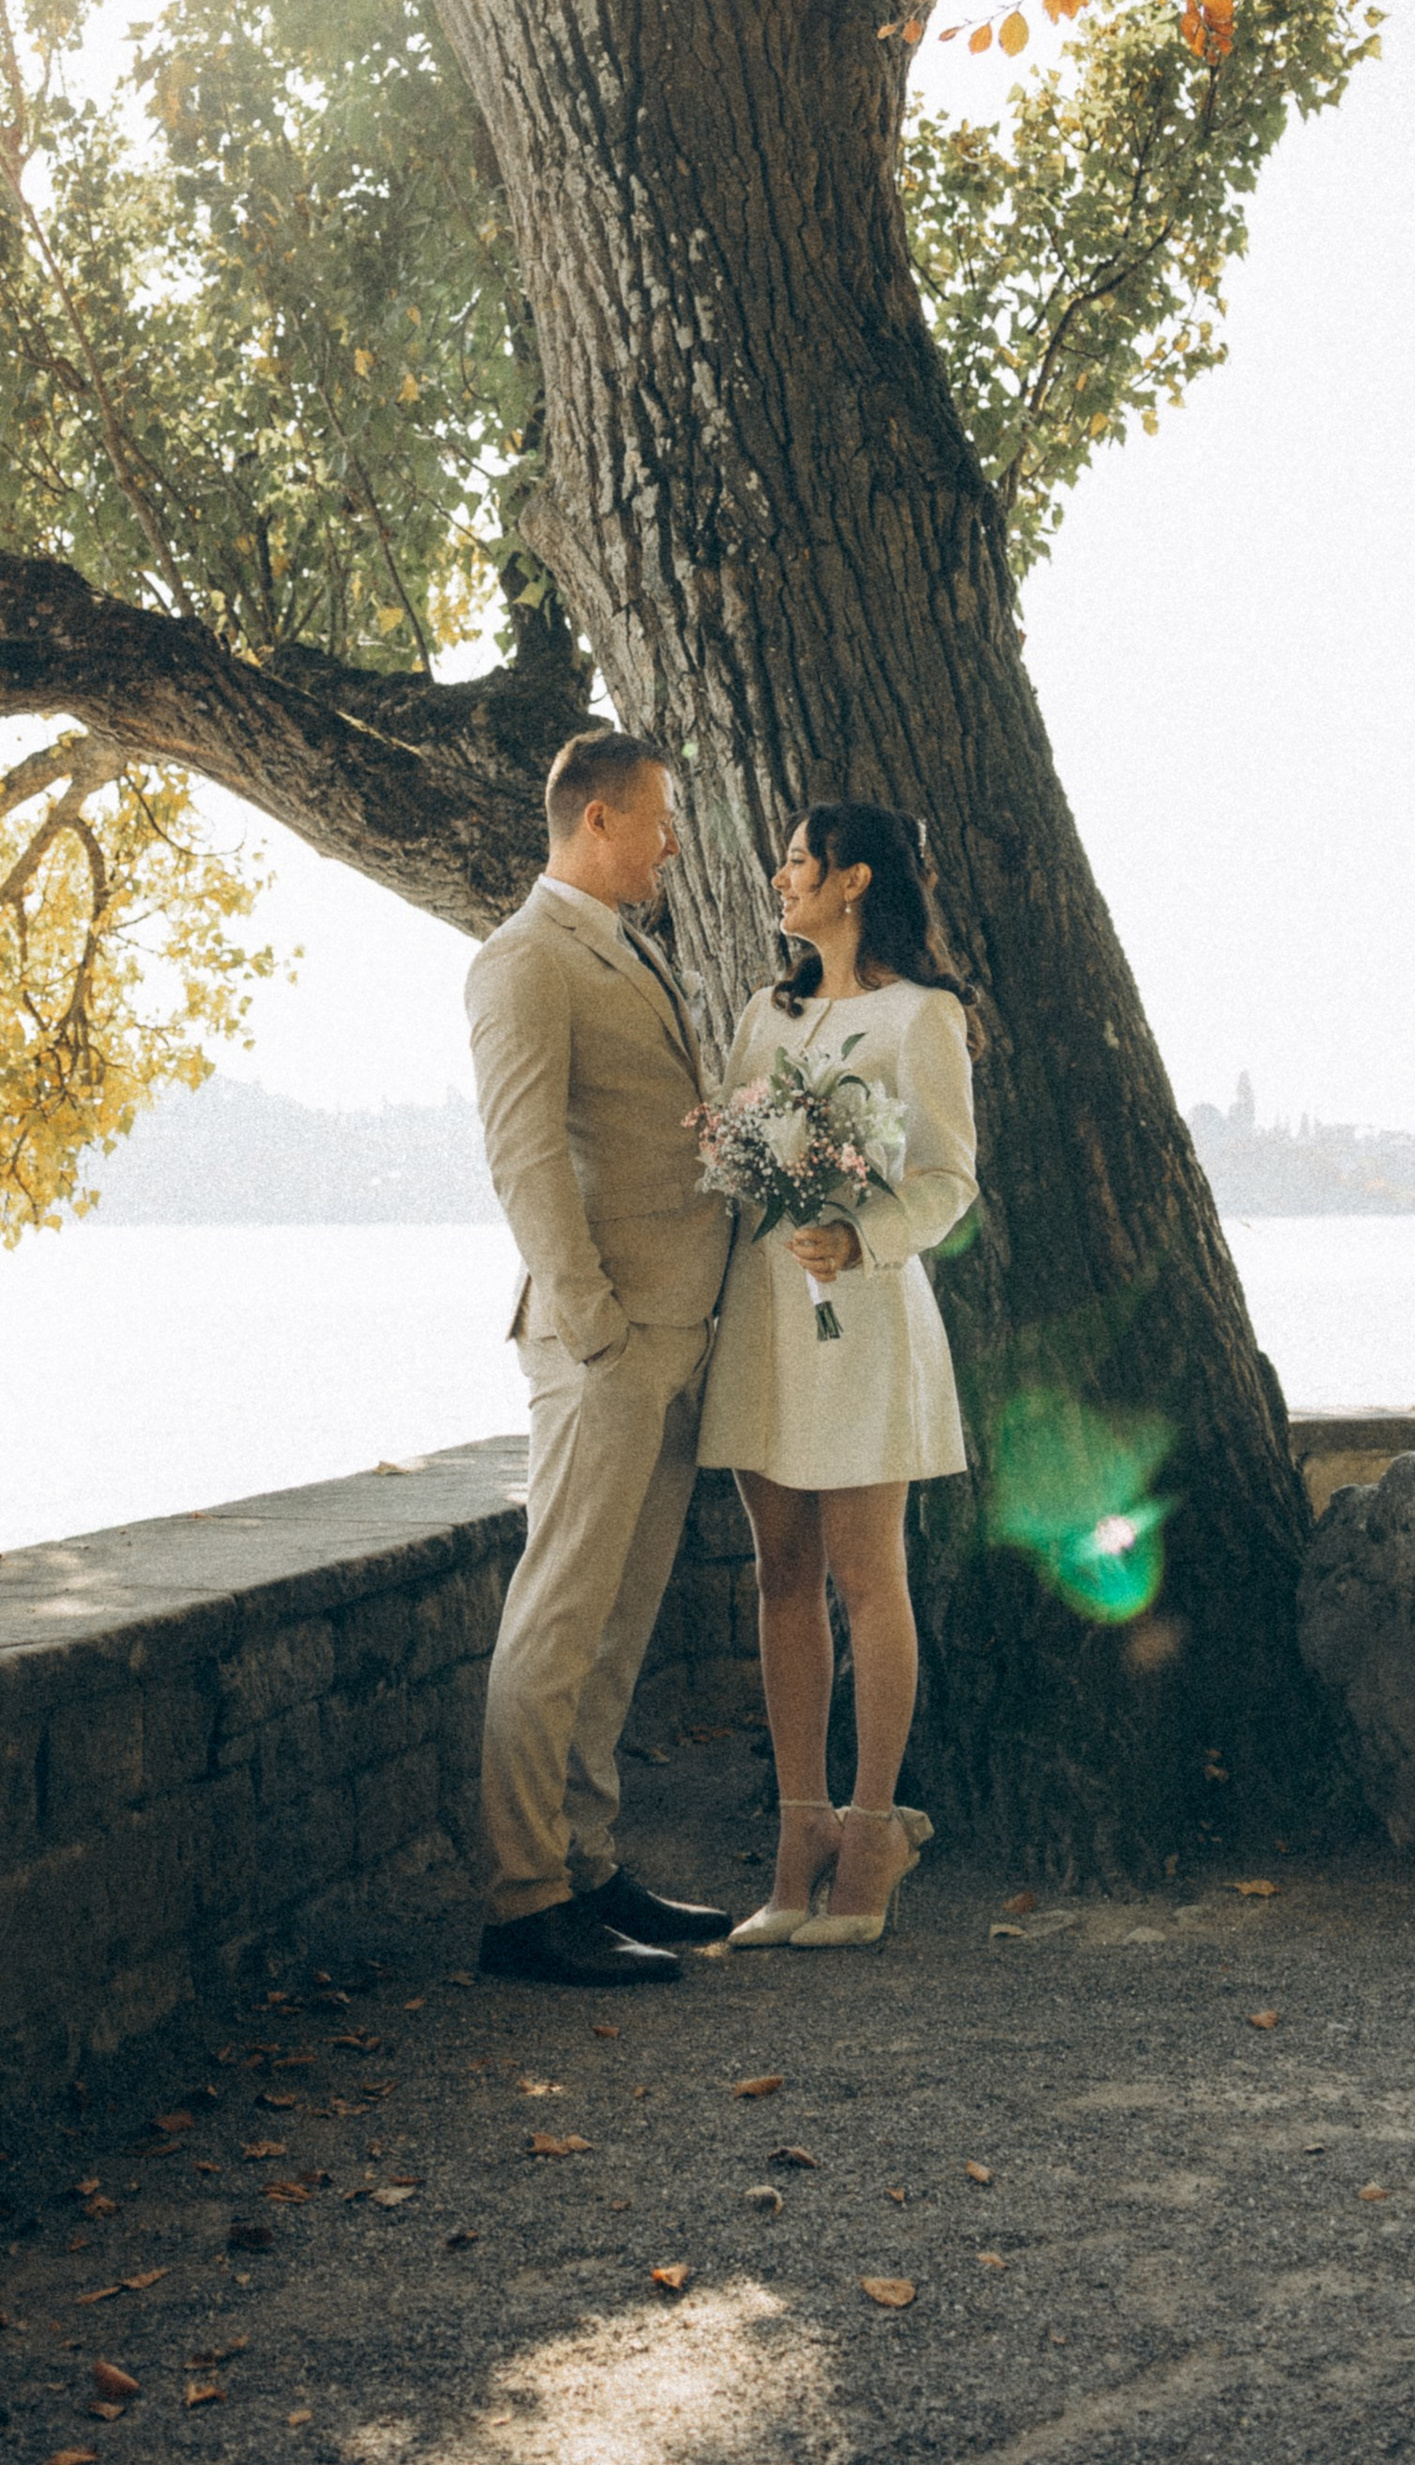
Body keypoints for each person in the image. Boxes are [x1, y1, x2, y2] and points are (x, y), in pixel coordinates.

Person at [466, 728, 738, 1987]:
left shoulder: (629, 947)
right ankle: (525, 1902)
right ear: (597, 824)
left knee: (618, 1625)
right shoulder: (523, 960)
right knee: (559, 1616)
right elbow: (526, 1162)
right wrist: (599, 1330)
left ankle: (587, 1864)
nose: (672, 841)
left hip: (678, 1336)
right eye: (660, 819)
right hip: (606, 1343)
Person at [697, 798, 980, 1950]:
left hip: (861, 1312)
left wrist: (861, 1235)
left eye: (798, 861)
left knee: (869, 1575)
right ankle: (796, 1836)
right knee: (782, 1575)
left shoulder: (925, 1017)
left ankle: (872, 1836)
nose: (780, 878)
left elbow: (951, 1177)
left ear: (854, 880)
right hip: (768, 1315)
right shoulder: (768, 1011)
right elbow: (732, 1144)